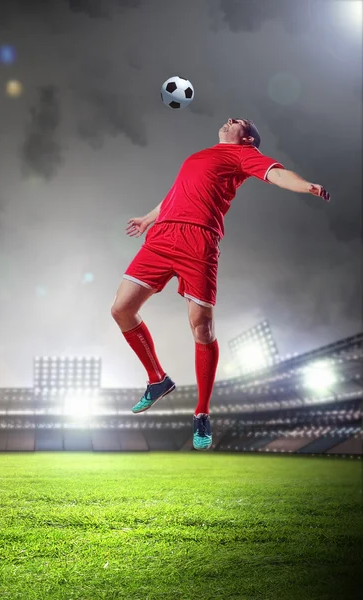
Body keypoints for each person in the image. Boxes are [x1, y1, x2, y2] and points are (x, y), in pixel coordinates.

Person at [111, 118, 330, 450]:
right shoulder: (199, 156)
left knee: (201, 329)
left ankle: (201, 412)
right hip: (162, 236)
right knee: (121, 309)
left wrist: (307, 185)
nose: (230, 120)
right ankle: (157, 380)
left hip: (198, 241)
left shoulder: (244, 155)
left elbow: (278, 174)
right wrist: (147, 218)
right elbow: (176, 194)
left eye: (239, 122)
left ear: (247, 139)